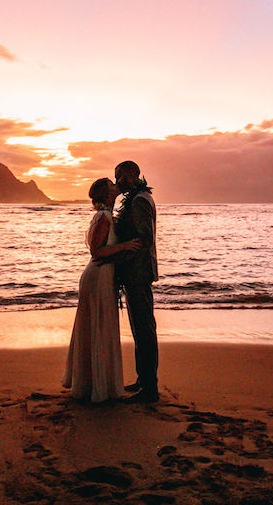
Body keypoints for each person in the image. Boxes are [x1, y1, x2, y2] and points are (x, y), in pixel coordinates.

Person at [62, 177, 140, 403]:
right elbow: (96, 251)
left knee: (100, 326)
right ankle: (96, 384)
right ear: (107, 194)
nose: (117, 185)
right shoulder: (104, 217)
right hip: (97, 276)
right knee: (98, 325)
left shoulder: (106, 215)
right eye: (112, 184)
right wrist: (125, 246)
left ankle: (96, 382)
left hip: (103, 275)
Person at [110, 160, 159, 402]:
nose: (117, 181)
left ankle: (149, 388)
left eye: (119, 176)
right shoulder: (139, 197)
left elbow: (144, 239)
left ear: (131, 175)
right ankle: (143, 380)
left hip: (138, 273)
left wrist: (122, 260)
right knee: (141, 329)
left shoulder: (139, 200)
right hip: (136, 273)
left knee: (144, 329)